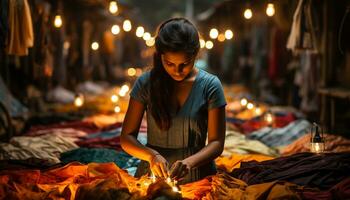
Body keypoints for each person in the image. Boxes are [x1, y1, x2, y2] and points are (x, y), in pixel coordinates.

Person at [121, 18, 226, 184]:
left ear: (196, 53)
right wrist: (152, 156)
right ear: (160, 55)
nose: (177, 71)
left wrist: (189, 163)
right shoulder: (146, 83)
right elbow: (126, 137)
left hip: (200, 179)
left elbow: (217, 142)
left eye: (185, 63)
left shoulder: (210, 85)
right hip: (153, 179)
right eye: (169, 63)